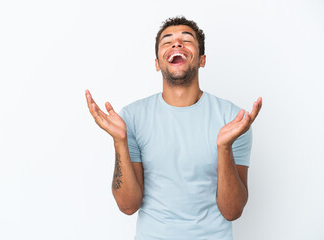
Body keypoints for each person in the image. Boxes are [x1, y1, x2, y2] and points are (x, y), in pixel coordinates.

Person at [85, 16, 262, 240]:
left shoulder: (233, 119)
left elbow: (232, 211)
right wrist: (119, 141)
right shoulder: (131, 117)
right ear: (158, 63)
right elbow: (128, 206)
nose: (176, 44)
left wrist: (224, 148)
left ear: (202, 60)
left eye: (186, 39)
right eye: (167, 41)